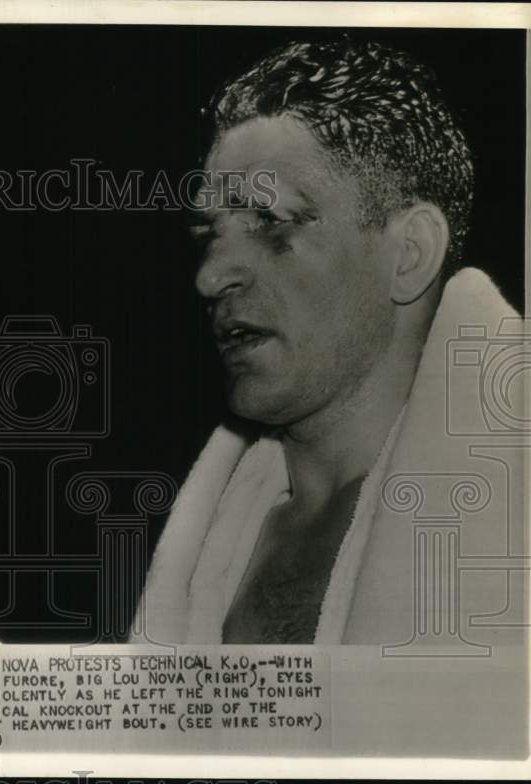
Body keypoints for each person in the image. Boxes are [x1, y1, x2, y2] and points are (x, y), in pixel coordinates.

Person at [132, 40, 525, 646]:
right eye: (207, 232)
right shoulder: (214, 547)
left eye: (270, 222)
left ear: (410, 254)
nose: (209, 276)